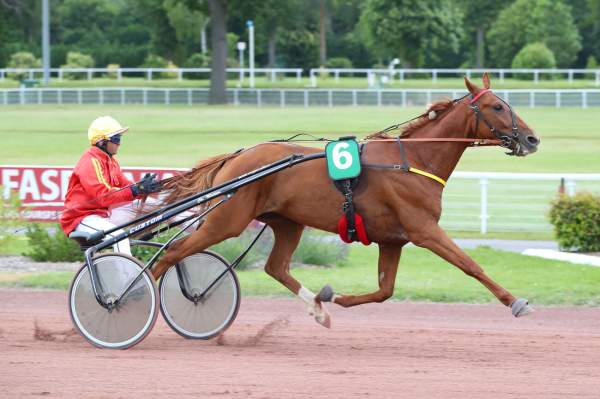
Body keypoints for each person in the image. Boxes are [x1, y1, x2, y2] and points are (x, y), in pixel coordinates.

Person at [60, 116, 162, 255]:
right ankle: (127, 276)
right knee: (120, 238)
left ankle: (196, 233)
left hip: (103, 213)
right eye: (116, 139)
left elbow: (126, 186)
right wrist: (134, 190)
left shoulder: (111, 161)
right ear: (102, 142)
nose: (119, 143)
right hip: (81, 218)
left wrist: (142, 188)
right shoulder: (90, 161)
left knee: (157, 203)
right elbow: (103, 196)